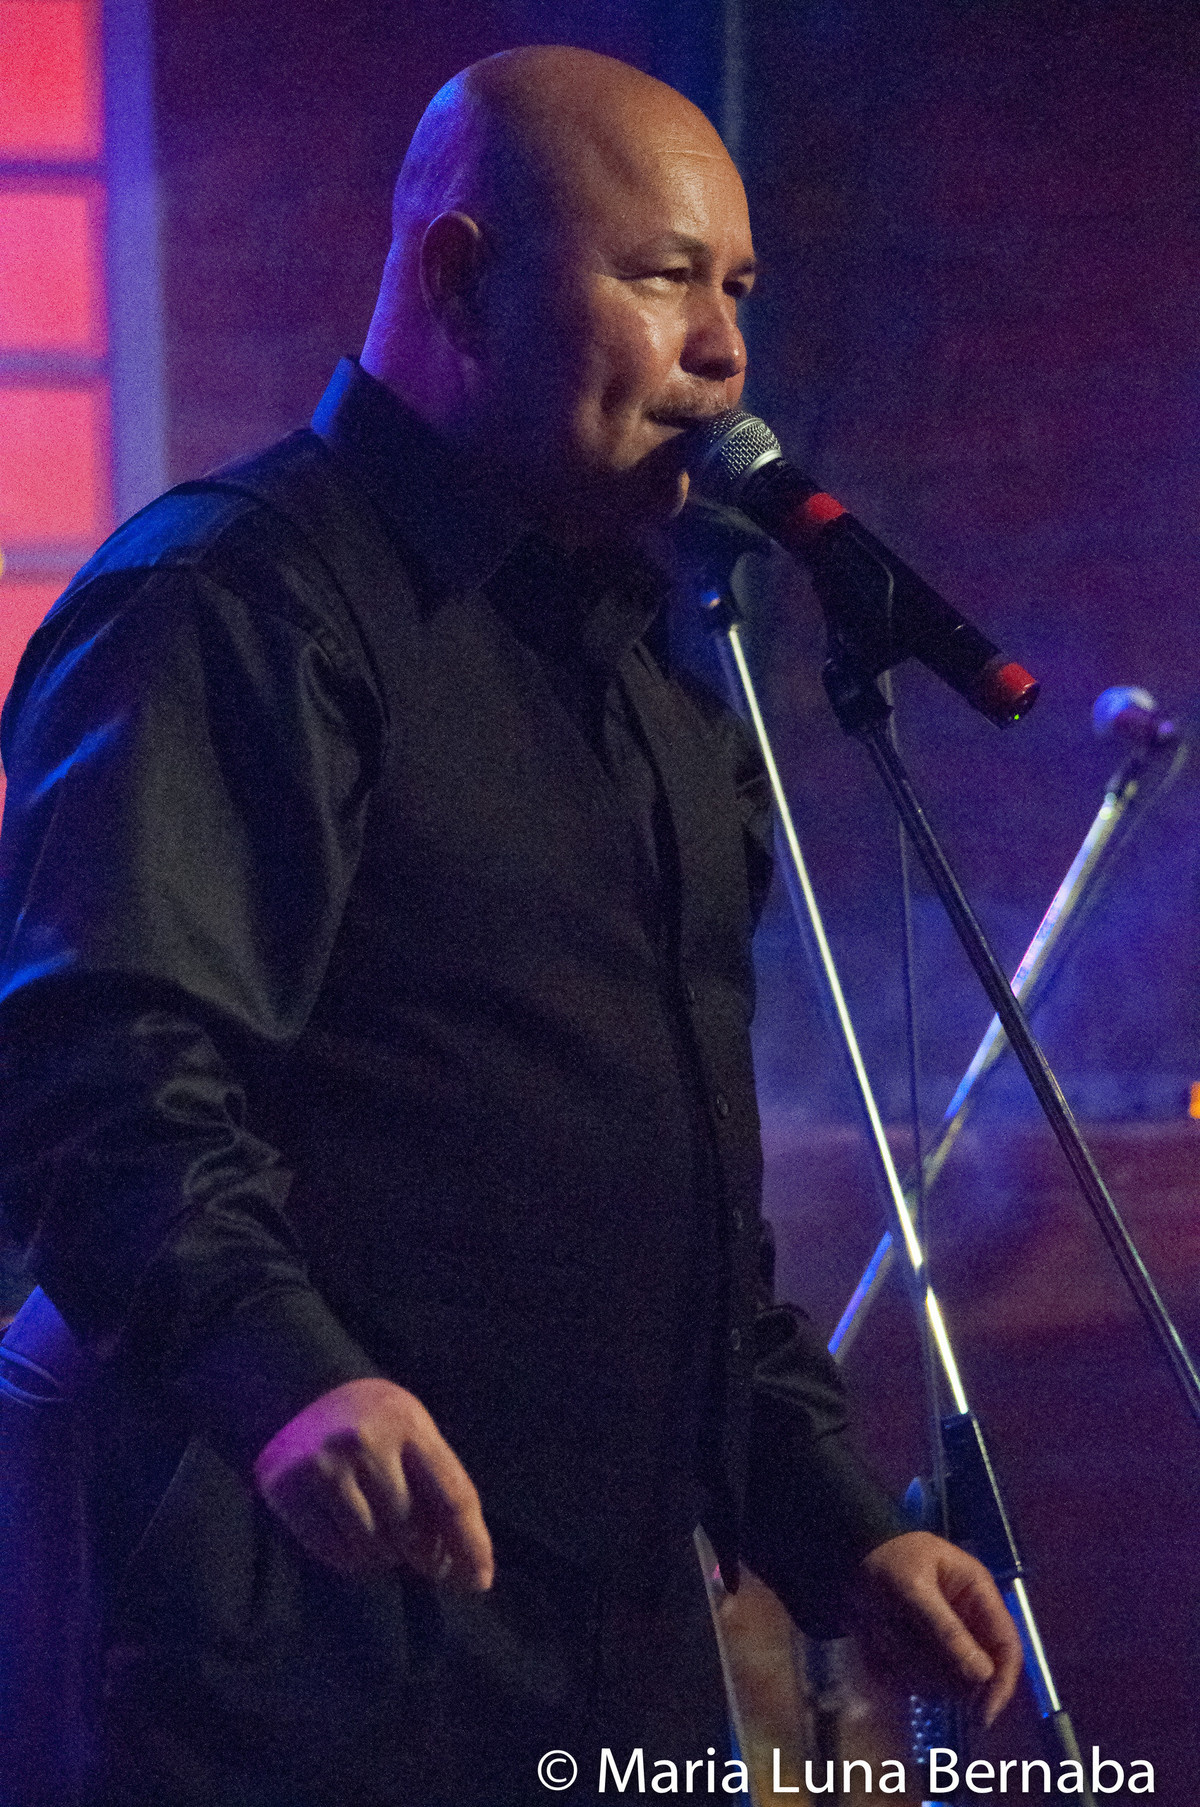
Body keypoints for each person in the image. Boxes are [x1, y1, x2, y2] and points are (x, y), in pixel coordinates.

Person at [0, 45, 1021, 1807]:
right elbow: (108, 1071)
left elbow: (673, 1212)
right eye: (665, 277)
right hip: (287, 1637)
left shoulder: (649, 679)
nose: (725, 349)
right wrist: (287, 1376)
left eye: (740, 289)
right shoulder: (234, 601)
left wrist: (838, 1529)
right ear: (461, 279)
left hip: (604, 1642)